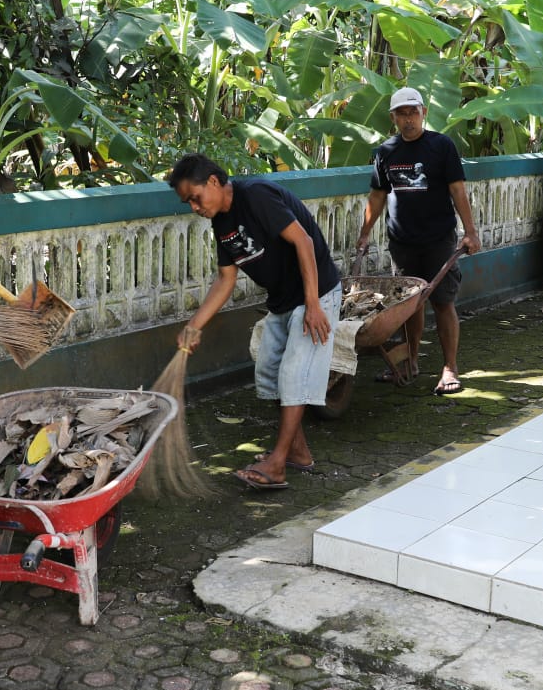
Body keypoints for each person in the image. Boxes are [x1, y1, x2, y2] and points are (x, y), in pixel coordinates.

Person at [168, 153, 341, 491]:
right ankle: (299, 452)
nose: (193, 207)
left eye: (195, 197)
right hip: (281, 302)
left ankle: (277, 464)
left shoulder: (256, 195)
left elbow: (303, 242)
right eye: (188, 201)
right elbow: (225, 279)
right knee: (270, 372)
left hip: (315, 295)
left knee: (293, 373)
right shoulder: (221, 221)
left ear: (214, 183)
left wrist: (313, 303)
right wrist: (194, 326)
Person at [358, 87, 482, 396]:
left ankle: (449, 368)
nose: (408, 119)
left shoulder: (441, 146)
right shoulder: (385, 152)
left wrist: (470, 231)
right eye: (402, 114)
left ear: (423, 112)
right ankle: (410, 362)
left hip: (438, 240)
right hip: (402, 241)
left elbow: (457, 190)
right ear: (393, 118)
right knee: (408, 306)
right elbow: (377, 196)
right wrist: (364, 233)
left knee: (442, 303)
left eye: (413, 112)